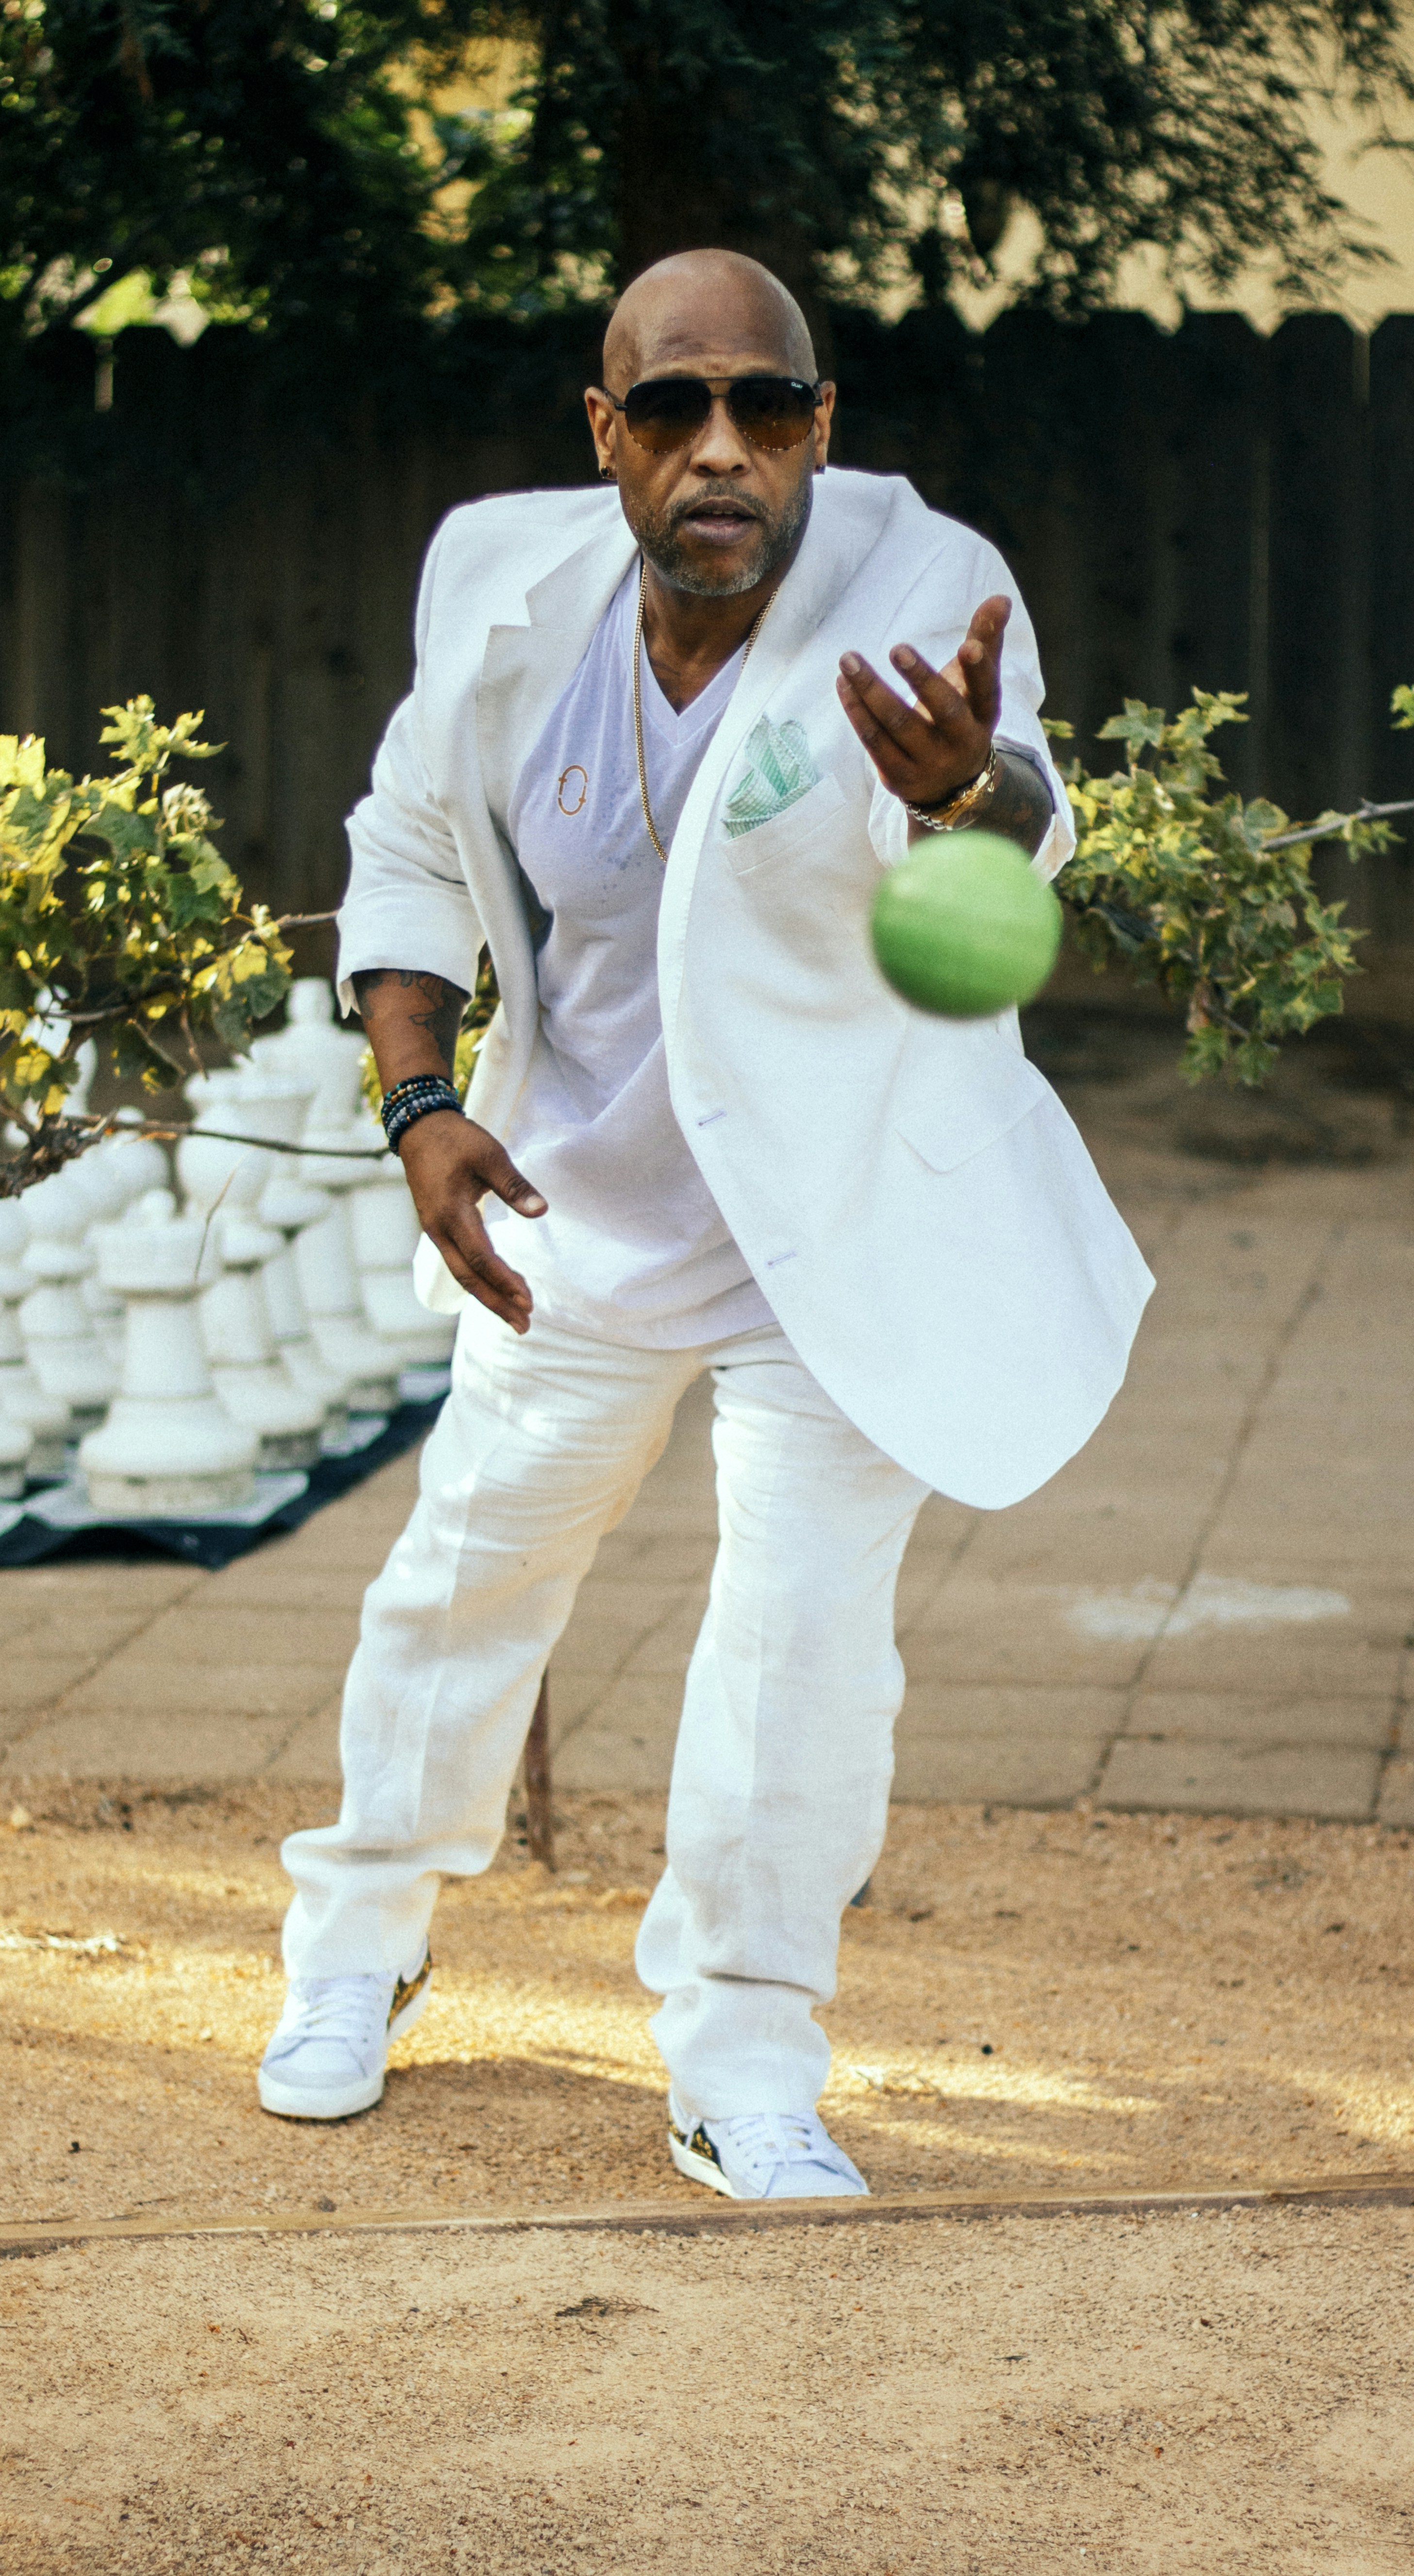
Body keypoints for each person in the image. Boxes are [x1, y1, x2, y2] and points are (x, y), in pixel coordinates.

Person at [258, 248, 1153, 2200]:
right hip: (573, 1209)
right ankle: (354, 1947)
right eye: (672, 410)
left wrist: (962, 800)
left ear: (820, 426)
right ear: (609, 434)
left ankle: (745, 2055)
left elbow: (1013, 842)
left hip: (825, 1229)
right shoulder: (504, 595)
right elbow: (406, 847)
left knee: (799, 1640)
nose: (721, 448)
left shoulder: (919, 580)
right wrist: (421, 1109)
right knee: (463, 1582)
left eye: (767, 407)